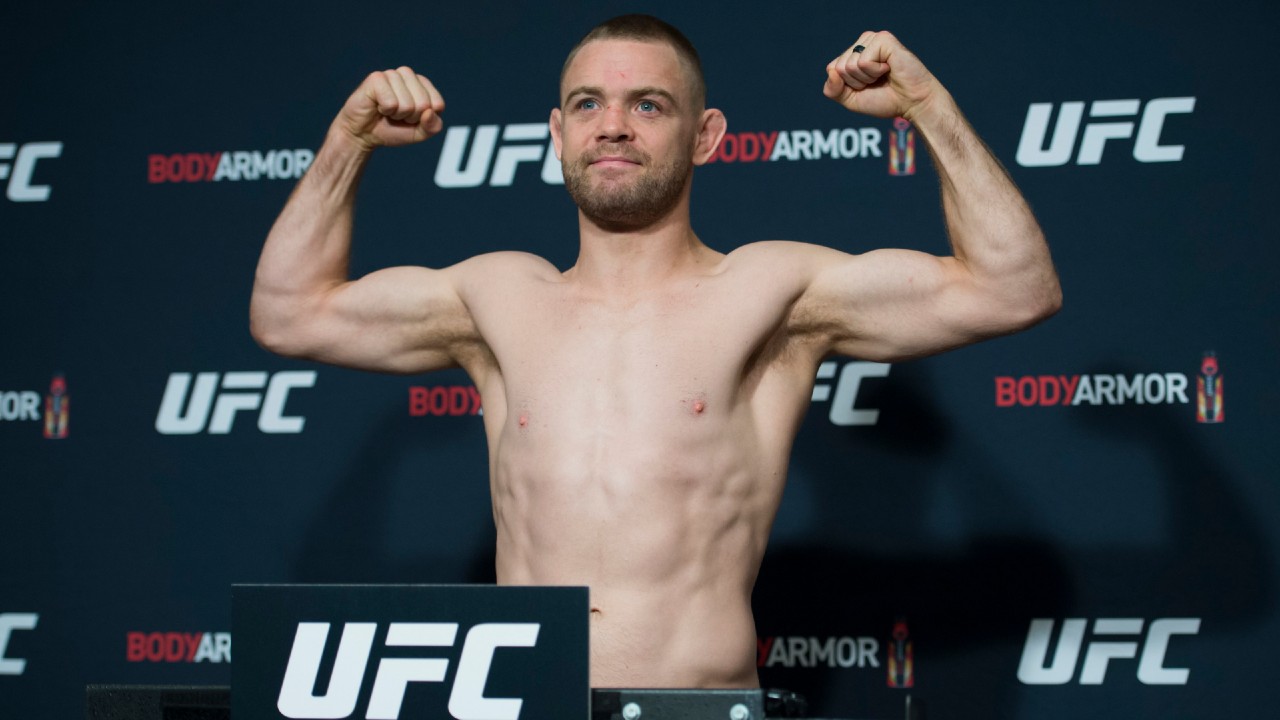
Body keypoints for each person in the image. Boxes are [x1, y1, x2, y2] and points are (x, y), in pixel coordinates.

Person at [250, 14, 1061, 689]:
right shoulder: (495, 298)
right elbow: (289, 313)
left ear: (706, 136)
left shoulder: (773, 290)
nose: (613, 125)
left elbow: (1013, 287)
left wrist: (928, 105)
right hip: (527, 706)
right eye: (590, 104)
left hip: (697, 712)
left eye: (647, 105)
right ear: (557, 134)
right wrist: (347, 140)